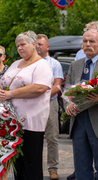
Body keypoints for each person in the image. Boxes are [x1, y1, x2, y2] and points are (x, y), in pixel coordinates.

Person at [64, 27, 98, 180]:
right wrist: (67, 105)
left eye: (92, 41)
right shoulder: (75, 65)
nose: (87, 44)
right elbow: (66, 90)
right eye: (85, 41)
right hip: (78, 121)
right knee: (81, 168)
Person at [0, 30, 53, 180]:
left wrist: (10, 94)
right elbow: (4, 82)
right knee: (18, 164)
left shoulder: (42, 65)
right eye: (18, 46)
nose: (20, 48)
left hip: (31, 122)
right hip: (11, 121)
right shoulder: (16, 63)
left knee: (31, 163)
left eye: (23, 44)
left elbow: (39, 87)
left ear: (34, 44)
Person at [37, 34, 64, 180]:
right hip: (32, 104)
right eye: (36, 44)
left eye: (41, 44)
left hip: (50, 103)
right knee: (33, 138)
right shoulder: (29, 63)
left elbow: (58, 85)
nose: (38, 46)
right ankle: (34, 169)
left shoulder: (54, 64)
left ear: (47, 47)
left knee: (52, 137)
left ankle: (53, 169)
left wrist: (43, 96)